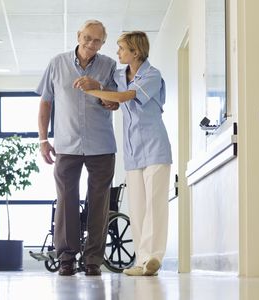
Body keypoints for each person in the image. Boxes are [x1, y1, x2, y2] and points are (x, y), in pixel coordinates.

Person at [84, 31, 172, 276]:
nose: (118, 52)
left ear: (136, 51)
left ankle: (154, 258)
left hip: (155, 147)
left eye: (122, 48)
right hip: (133, 151)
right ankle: (141, 260)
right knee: (137, 208)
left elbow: (124, 97)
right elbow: (114, 99)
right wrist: (104, 95)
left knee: (155, 206)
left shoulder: (152, 75)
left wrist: (94, 90)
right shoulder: (119, 75)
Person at [36, 20, 118, 276]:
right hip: (66, 145)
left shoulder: (109, 65)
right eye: (87, 38)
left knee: (99, 203)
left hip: (101, 145)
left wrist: (99, 88)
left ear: (103, 43)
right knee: (66, 201)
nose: (91, 44)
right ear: (78, 36)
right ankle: (67, 258)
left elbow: (115, 104)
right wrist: (42, 139)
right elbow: (46, 103)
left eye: (97, 40)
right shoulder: (57, 63)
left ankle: (93, 259)